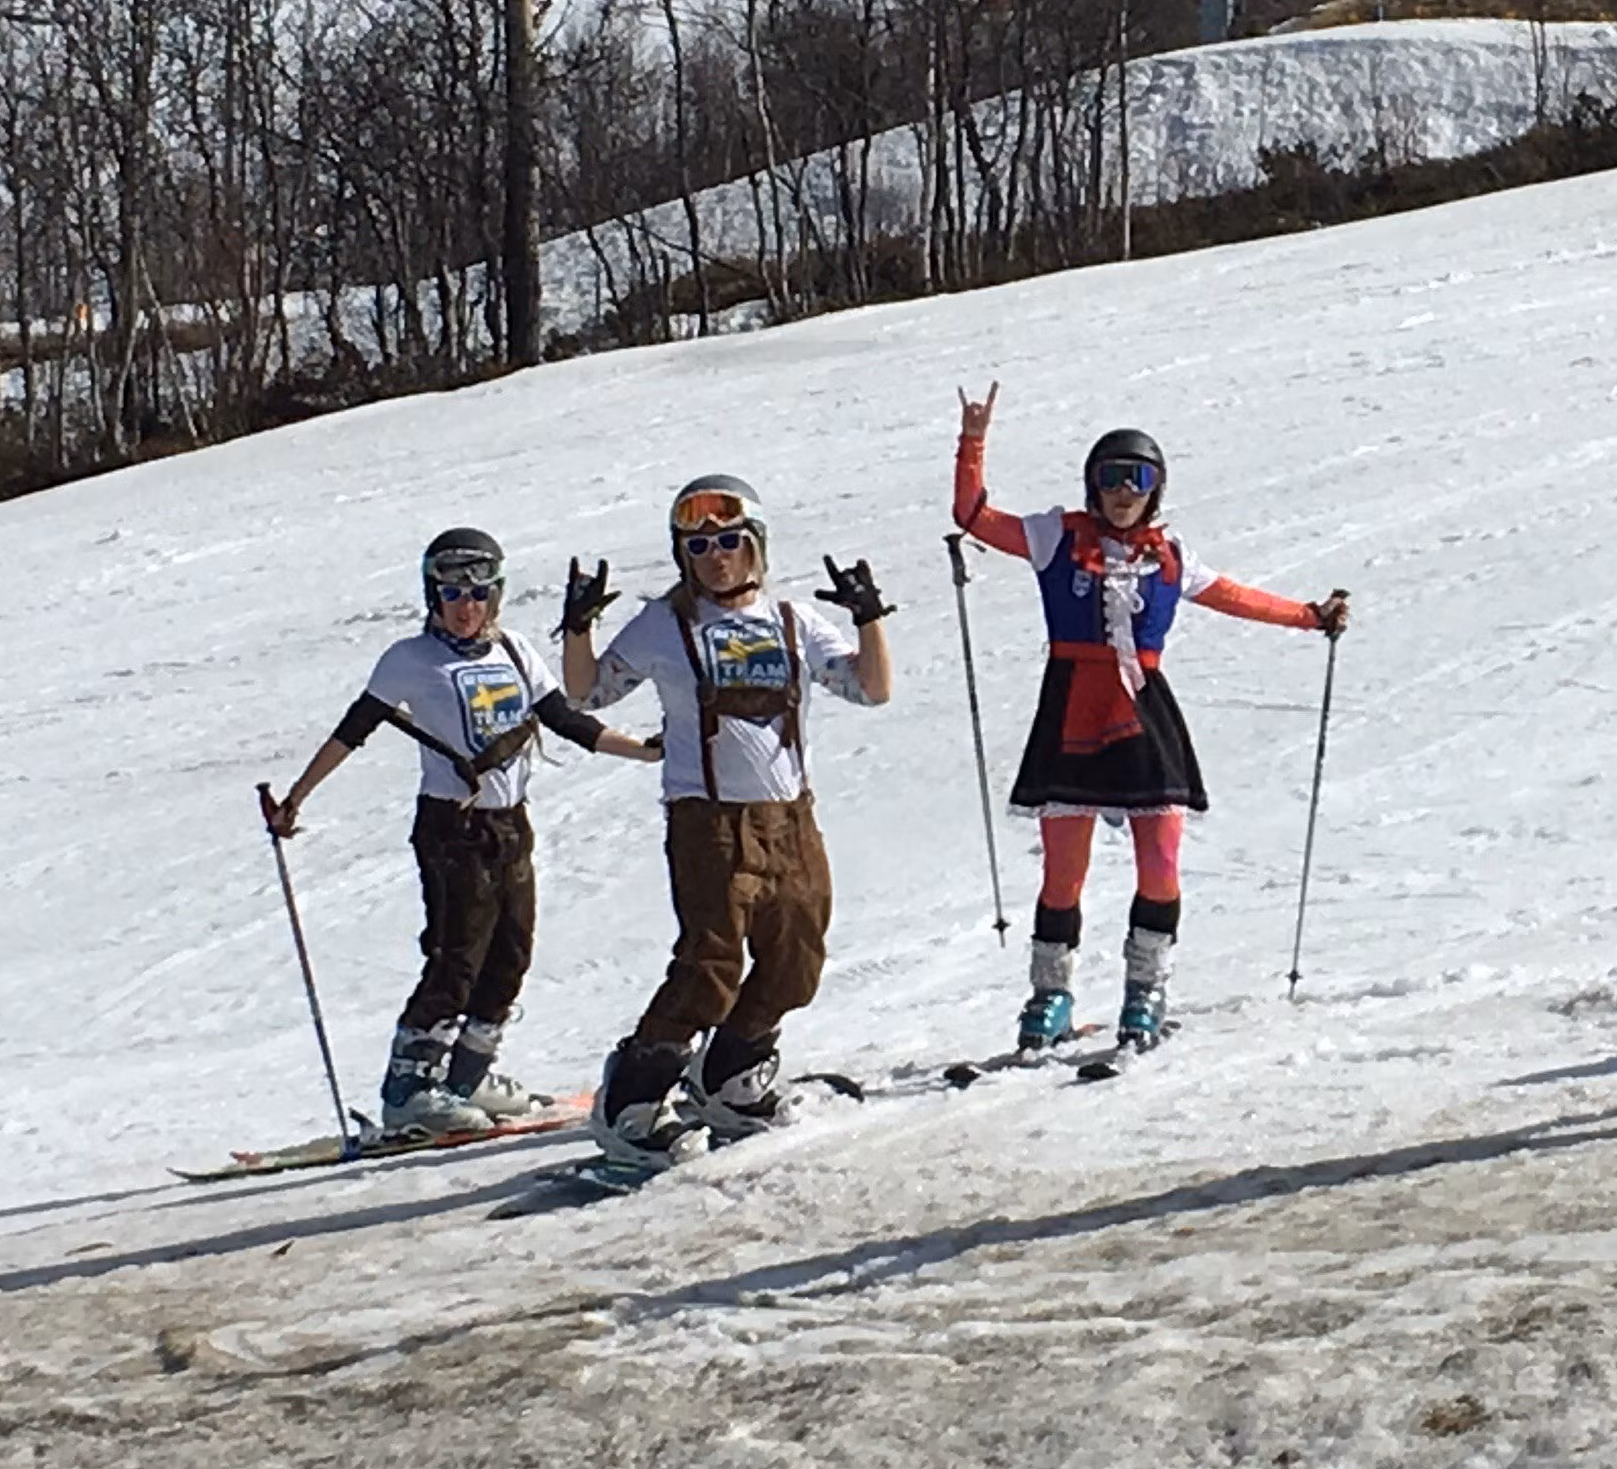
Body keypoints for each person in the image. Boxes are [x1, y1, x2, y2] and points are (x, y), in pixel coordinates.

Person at [951, 395, 1348, 1056]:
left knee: (1160, 858)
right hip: (1073, 707)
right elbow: (972, 516)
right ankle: (1049, 997)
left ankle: (1146, 989)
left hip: (1142, 714)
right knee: (1062, 871)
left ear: (1156, 487)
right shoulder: (1059, 536)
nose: (1123, 492)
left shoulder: (1169, 554)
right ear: (1092, 483)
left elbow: (1235, 596)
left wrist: (1309, 616)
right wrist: (973, 441)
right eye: (1111, 477)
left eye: (1137, 479)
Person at [263, 525, 657, 1139]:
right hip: (453, 827)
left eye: (479, 594)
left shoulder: (516, 652)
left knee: (511, 954)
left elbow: (565, 721)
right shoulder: (410, 660)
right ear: (432, 596)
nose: (466, 607)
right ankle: (410, 1090)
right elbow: (353, 730)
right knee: (456, 958)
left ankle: (466, 1076)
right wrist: (296, 798)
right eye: (452, 594)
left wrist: (644, 751)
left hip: (510, 824)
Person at [561, 477, 895, 1164]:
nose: (716, 557)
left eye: (730, 542)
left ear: (757, 547)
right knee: (710, 966)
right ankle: (633, 1100)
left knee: (797, 959)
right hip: (707, 822)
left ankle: (729, 1079)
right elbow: (587, 690)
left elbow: (871, 688)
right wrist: (577, 628)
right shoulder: (665, 624)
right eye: (699, 546)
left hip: (789, 820)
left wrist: (869, 618)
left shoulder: (797, 622)